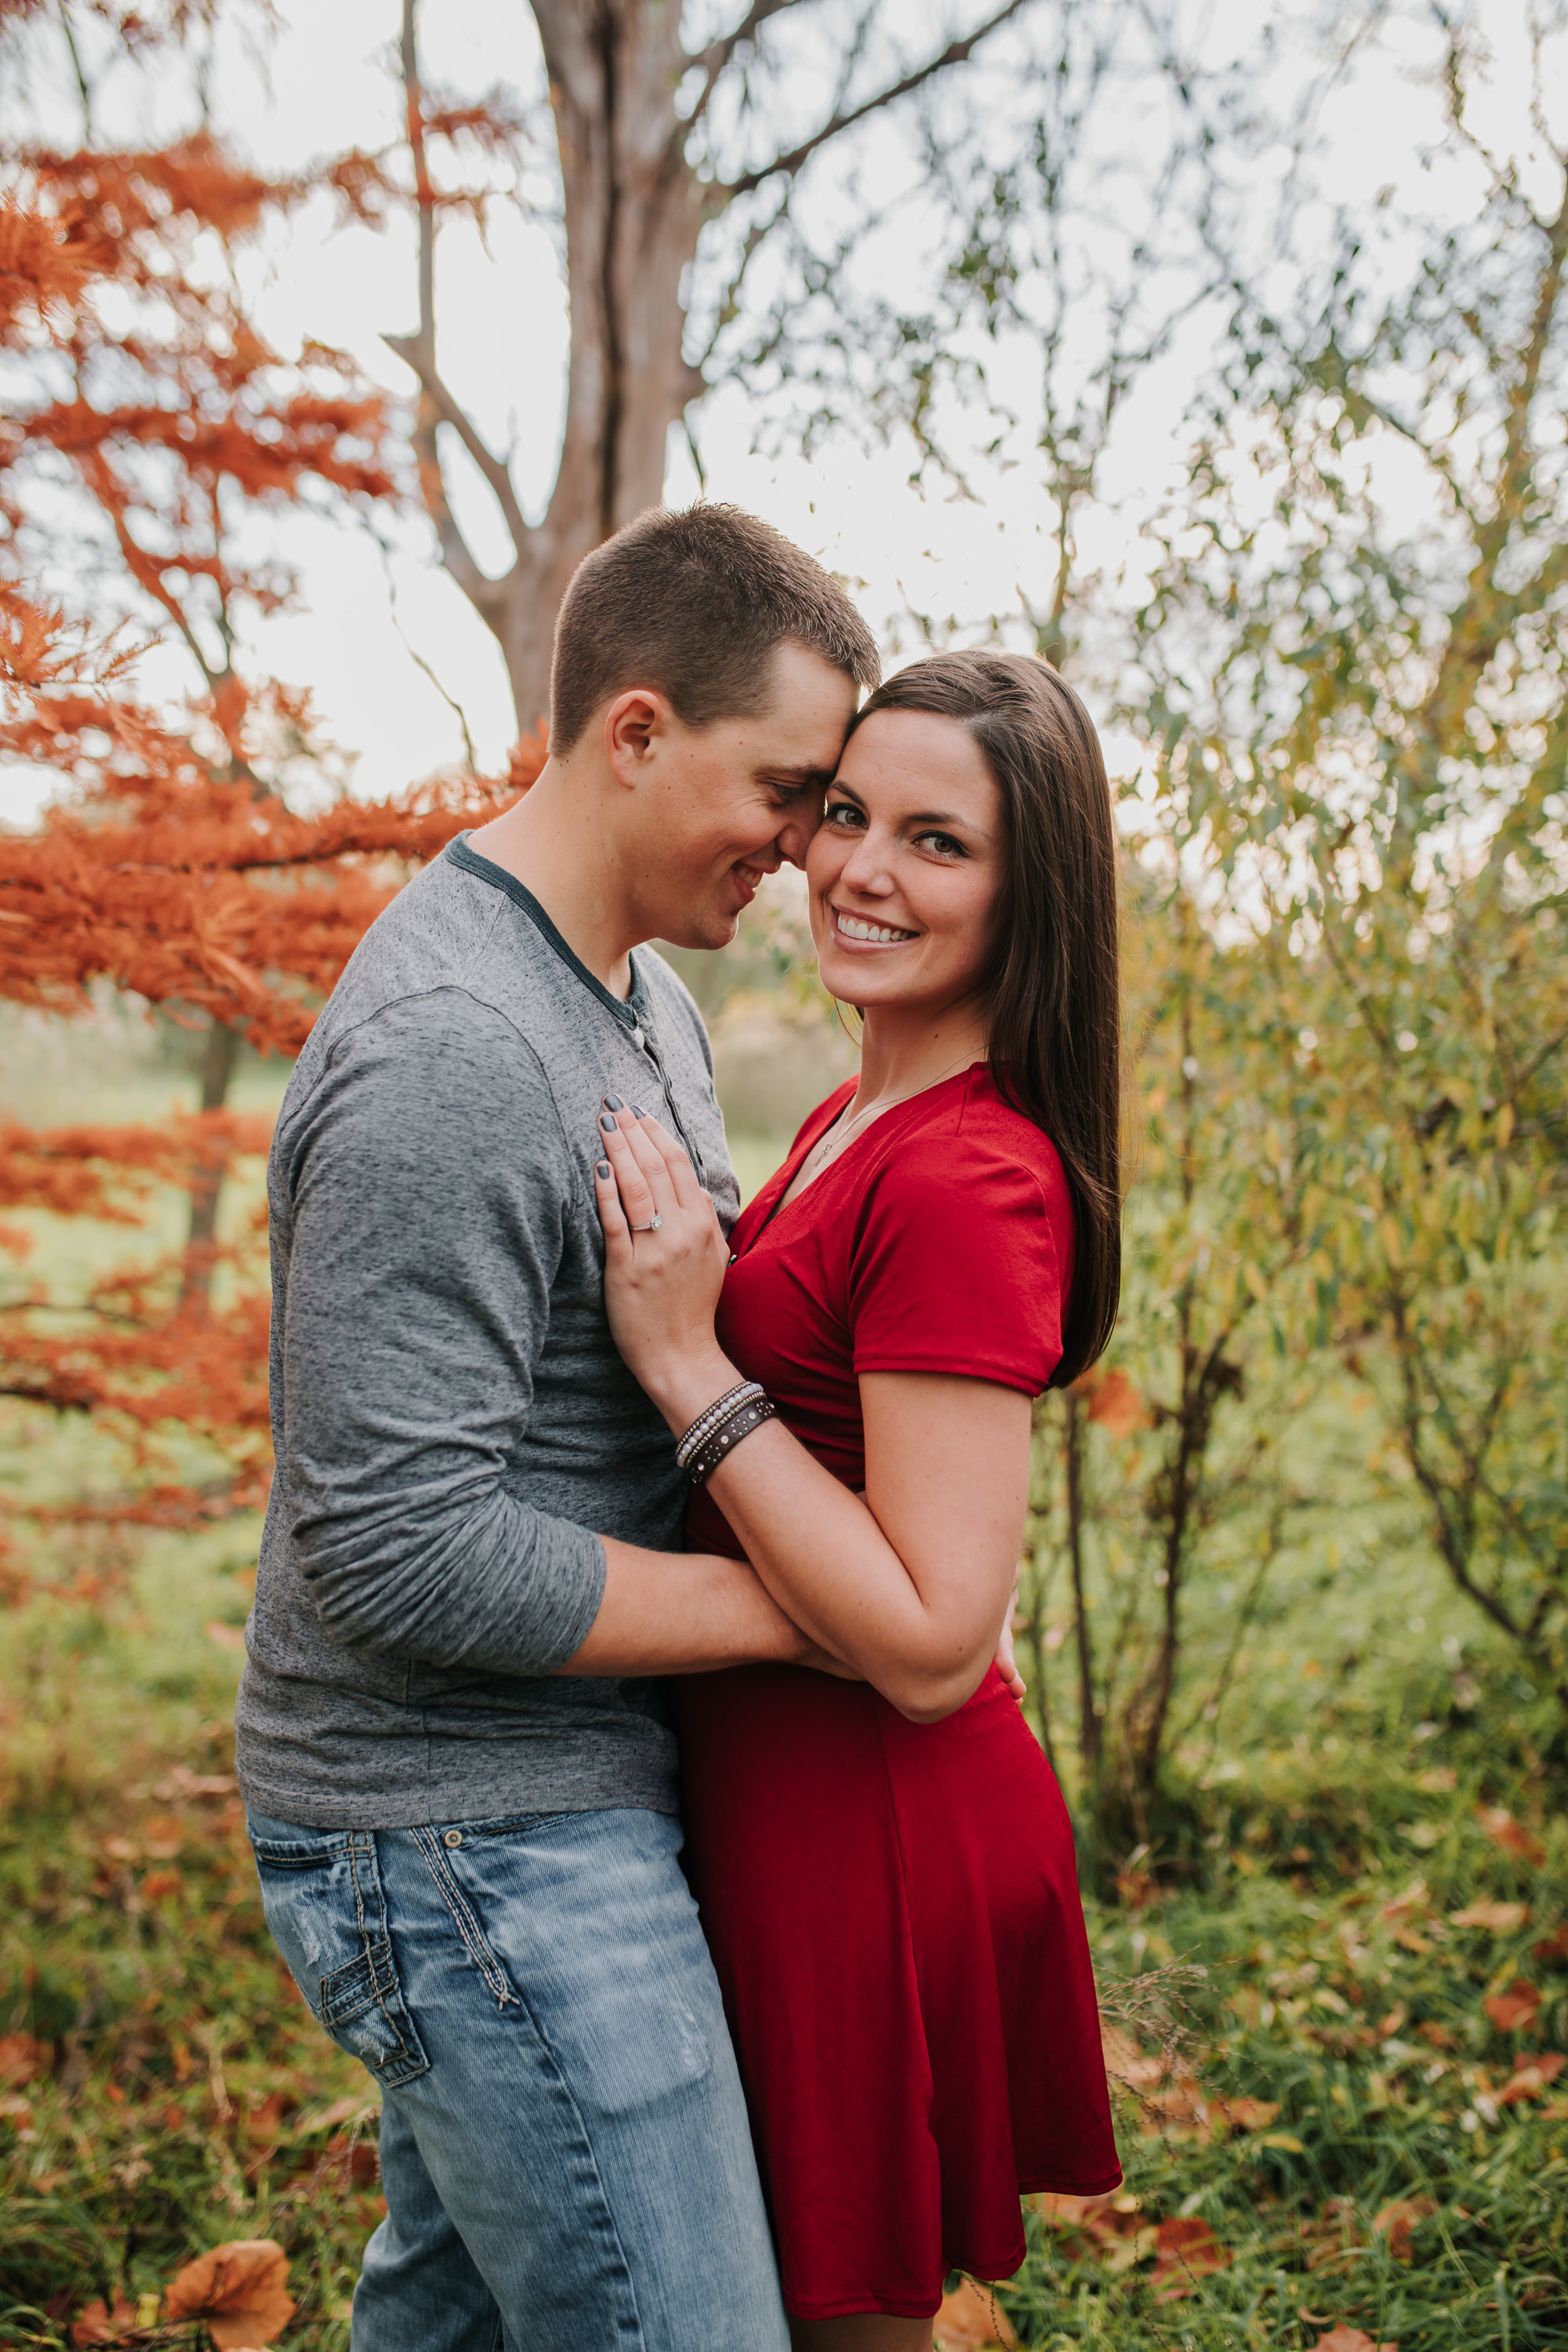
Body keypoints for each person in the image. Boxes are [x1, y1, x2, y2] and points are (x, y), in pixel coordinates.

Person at [234, 503, 884, 2352]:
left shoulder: (643, 1002)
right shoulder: (454, 1043)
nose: (804, 842)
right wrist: (811, 1620)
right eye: (786, 785)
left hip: (564, 1796)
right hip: (462, 1835)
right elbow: (393, 1545)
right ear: (634, 733)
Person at [590, 648, 1125, 2350]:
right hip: (787, 1806)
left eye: (937, 841)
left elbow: (927, 1643)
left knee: (840, 2324)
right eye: (844, 813)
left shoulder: (968, 1172)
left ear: (1029, 891)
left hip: (869, 1837)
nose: (860, 870)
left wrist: (690, 1369)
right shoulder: (856, 1106)